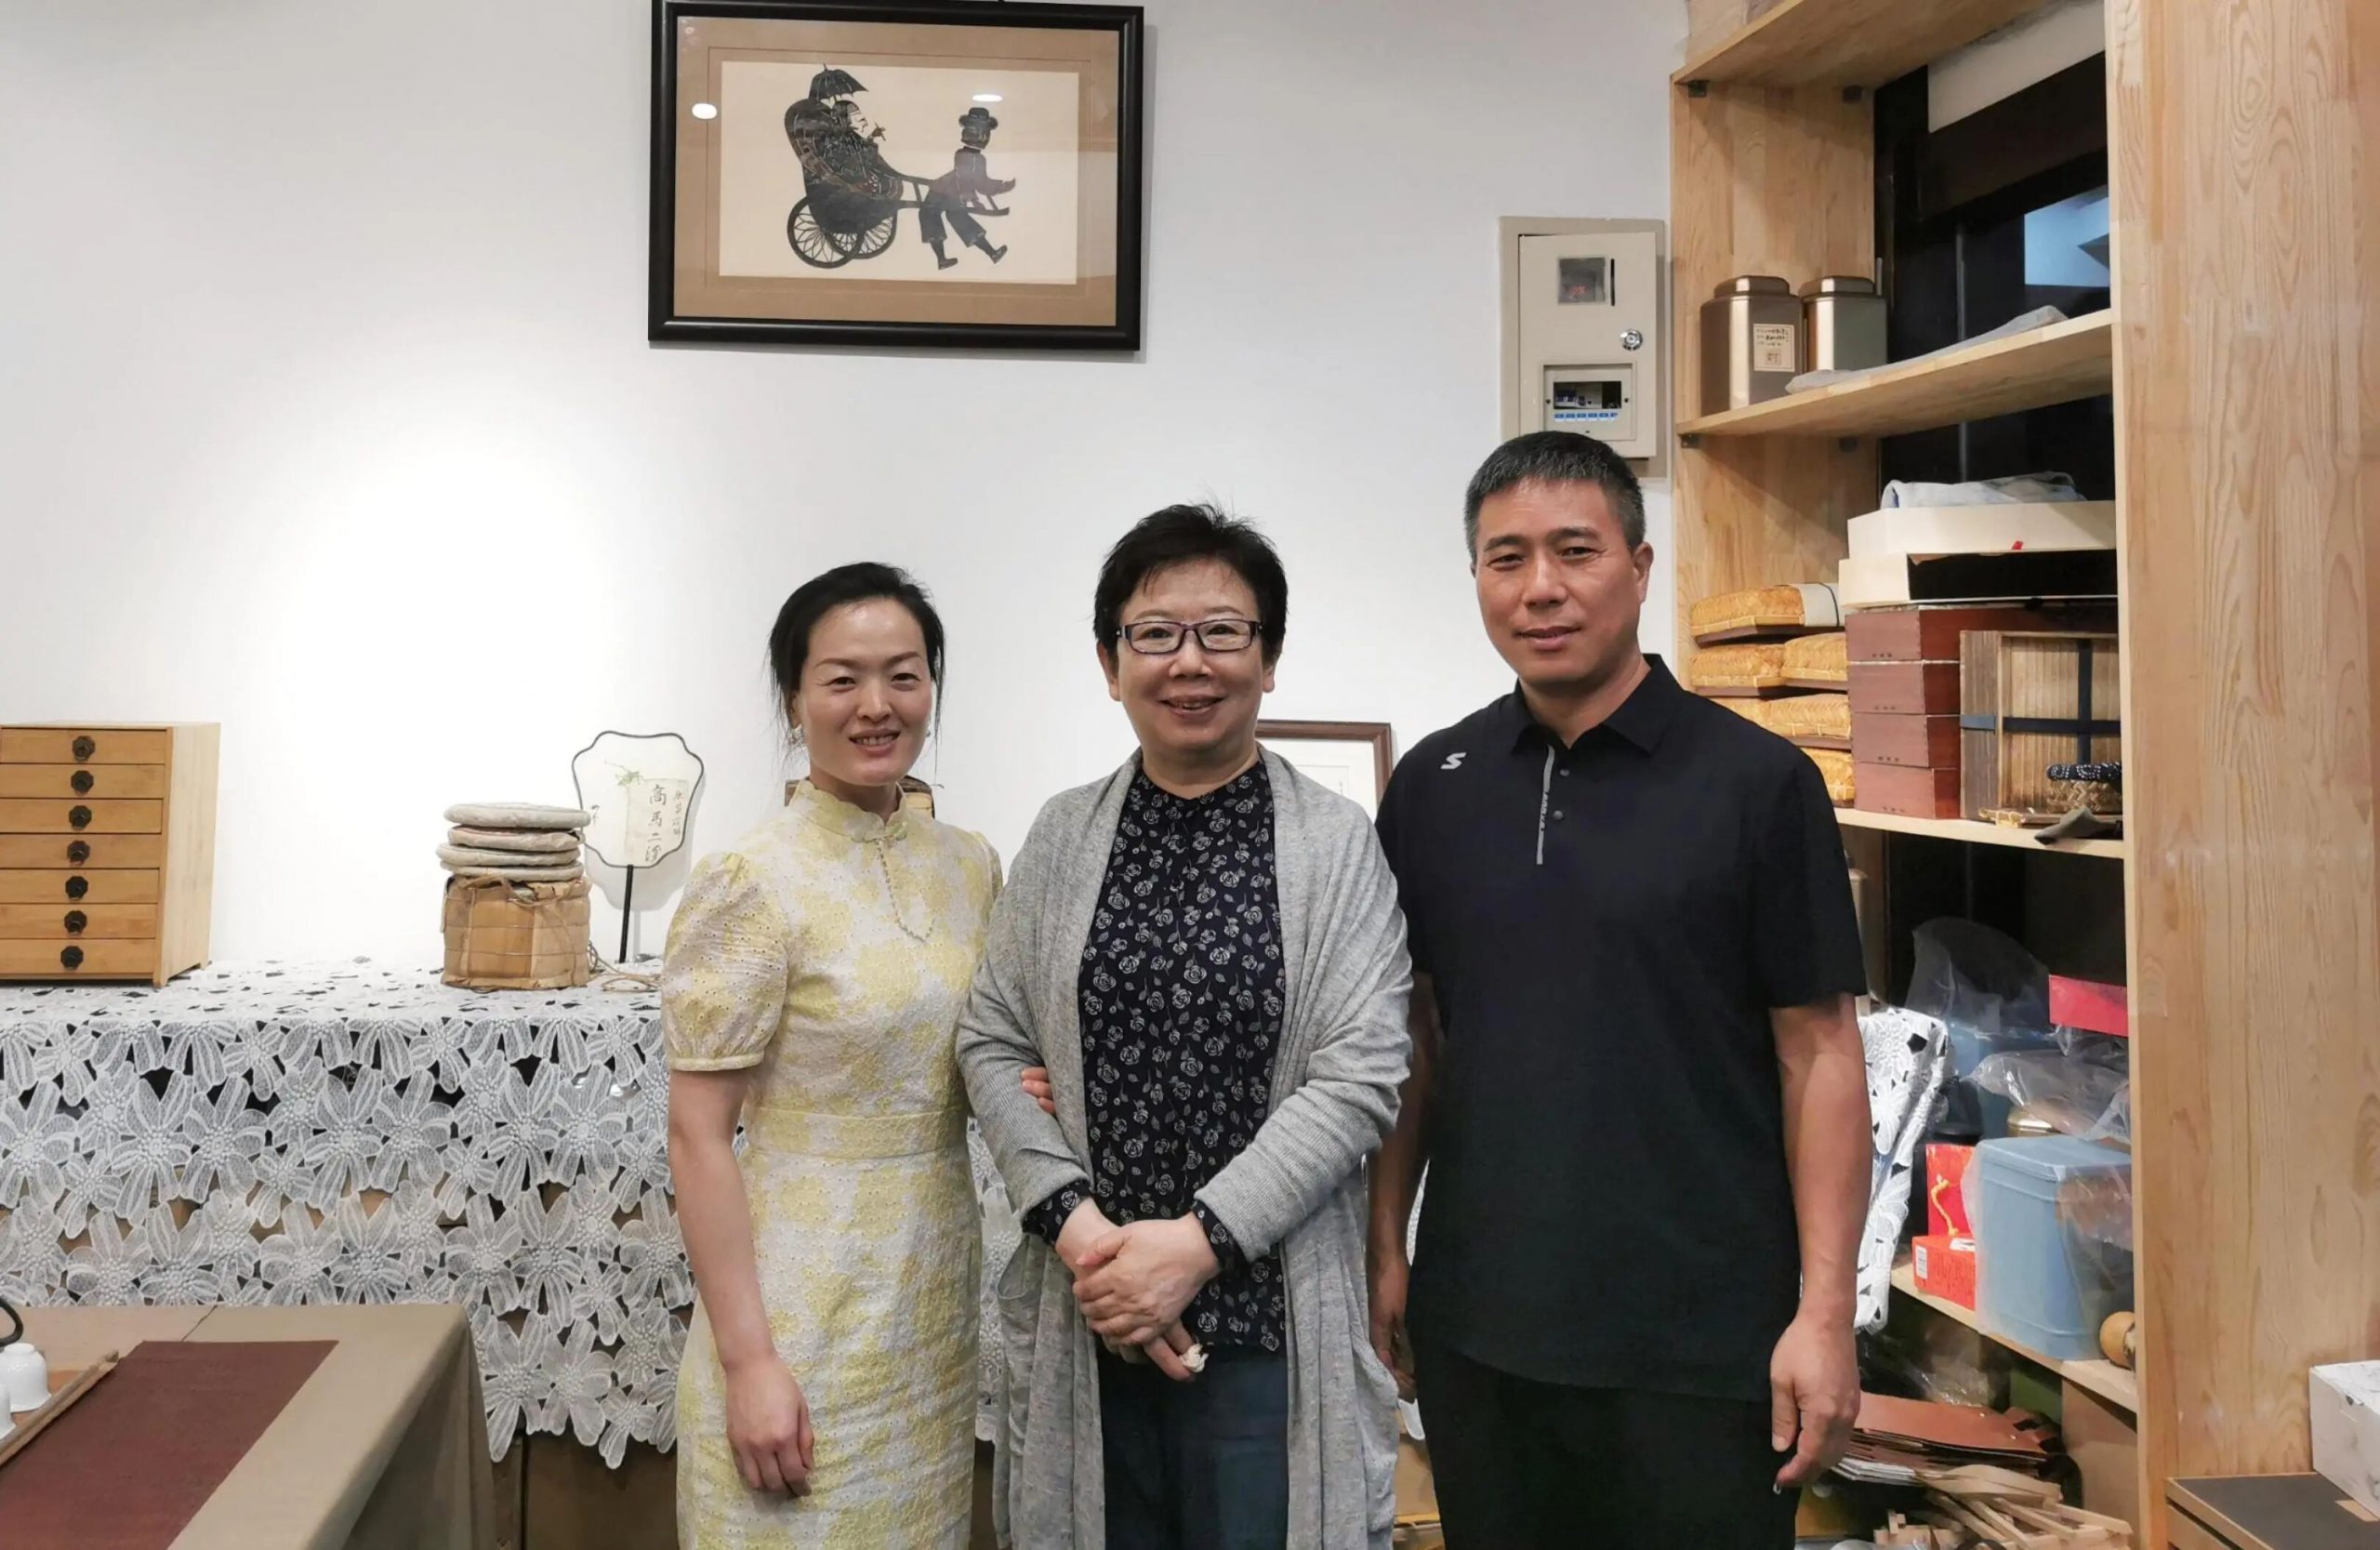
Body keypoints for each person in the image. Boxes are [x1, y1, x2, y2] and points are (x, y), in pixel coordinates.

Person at [1366, 431, 1872, 1549]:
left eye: (1575, 550)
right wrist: (1386, 1241)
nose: (1540, 587)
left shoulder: (1758, 783)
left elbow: (1821, 1053)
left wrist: (1825, 1312)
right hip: (1481, 1330)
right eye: (1506, 558)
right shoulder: (1435, 786)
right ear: (1476, 578)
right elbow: (1416, 1039)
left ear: (1639, 569)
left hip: (1701, 1344)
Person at [959, 505, 1410, 1550]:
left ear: (1269, 657)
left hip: (1266, 1332)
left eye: (1223, 631)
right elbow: (991, 1038)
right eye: (1155, 633)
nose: (1189, 661)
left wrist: (1196, 1245)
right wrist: (1088, 1238)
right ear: (1110, 663)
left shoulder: (1336, 844)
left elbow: (1361, 1073)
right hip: (1090, 1312)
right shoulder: (1063, 833)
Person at [665, 563, 1003, 1549]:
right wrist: (749, 1362)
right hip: (799, 1305)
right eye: (842, 678)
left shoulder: (970, 863)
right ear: (793, 698)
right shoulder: (751, 876)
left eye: (903, 674)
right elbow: (696, 1136)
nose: (875, 705)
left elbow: (984, 1055)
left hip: (929, 1299)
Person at [920, 105, 1013, 268]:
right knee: (946, 217)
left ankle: (987, 253)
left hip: (946, 191)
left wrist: (997, 188)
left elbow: (976, 181)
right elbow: (971, 181)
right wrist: (981, 196)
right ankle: (989, 253)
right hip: (945, 192)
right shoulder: (969, 156)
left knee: (947, 217)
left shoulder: (970, 156)